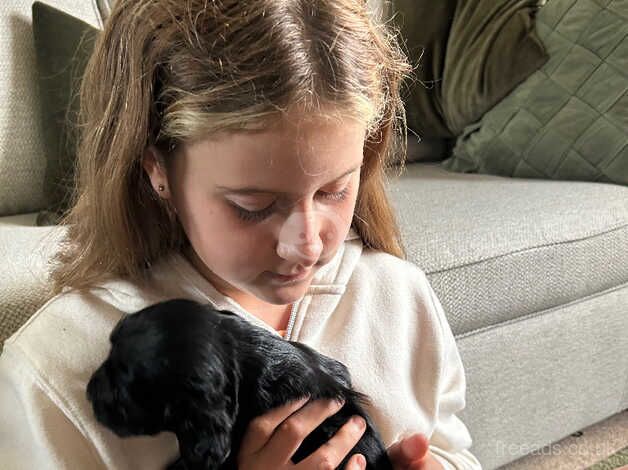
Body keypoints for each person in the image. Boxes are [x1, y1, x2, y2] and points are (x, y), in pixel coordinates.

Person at [0, 0, 482, 469]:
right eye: (252, 206)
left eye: (335, 190)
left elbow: (451, 445)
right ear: (157, 168)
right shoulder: (54, 370)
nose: (308, 244)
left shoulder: (398, 295)